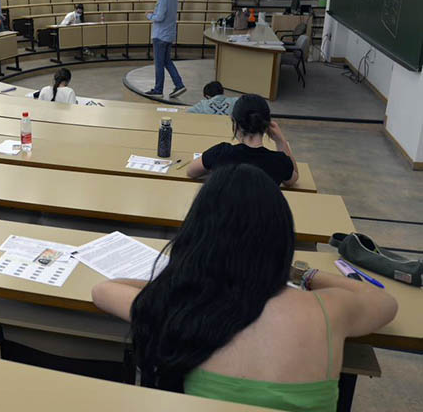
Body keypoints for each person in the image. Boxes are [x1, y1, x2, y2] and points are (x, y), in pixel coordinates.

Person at [91, 164, 397, 411]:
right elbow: (383, 302)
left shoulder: (182, 309)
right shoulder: (327, 309)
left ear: (199, 237)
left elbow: (104, 290)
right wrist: (305, 274)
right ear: (281, 236)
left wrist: (188, 279)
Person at [186, 94, 299, 187]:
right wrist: (281, 141)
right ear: (267, 125)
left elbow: (191, 171)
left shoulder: (221, 153)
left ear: (235, 123)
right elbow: (292, 180)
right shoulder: (278, 161)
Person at [146, 0, 186, 98]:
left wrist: (149, 15)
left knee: (159, 63)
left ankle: (158, 90)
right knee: (167, 61)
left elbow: (160, 17)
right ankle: (179, 84)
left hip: (160, 35)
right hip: (169, 34)